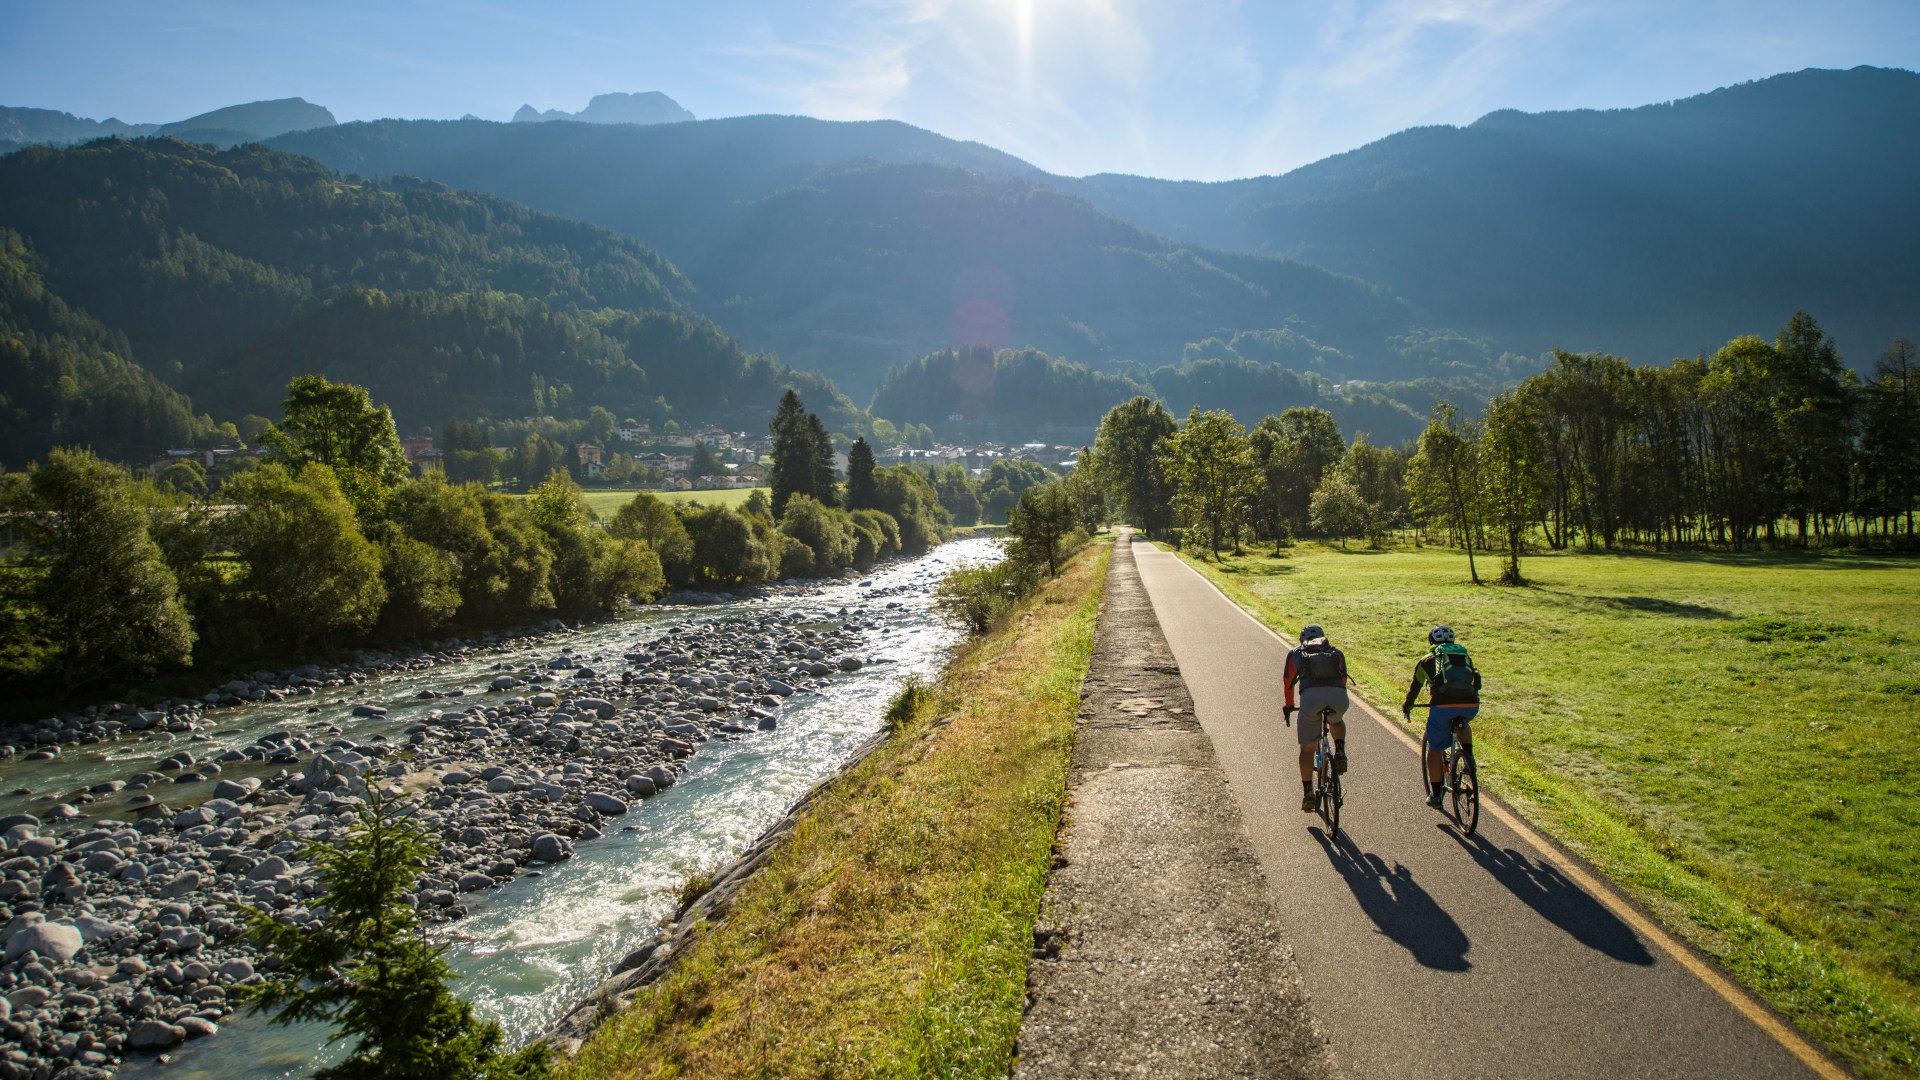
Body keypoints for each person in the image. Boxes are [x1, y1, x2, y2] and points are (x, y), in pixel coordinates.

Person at [1401, 625, 1480, 808]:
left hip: (1443, 706)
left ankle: (1436, 795)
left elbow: (1415, 687)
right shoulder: (1464, 656)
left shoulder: (1427, 660)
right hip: (1470, 705)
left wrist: (1408, 705)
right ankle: (1468, 756)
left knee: (1434, 749)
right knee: (1462, 723)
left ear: (1431, 641)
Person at [1283, 624, 1349, 812]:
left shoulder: (1295, 653)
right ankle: (1340, 752)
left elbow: (1288, 683)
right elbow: (1343, 679)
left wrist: (1289, 706)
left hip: (1311, 699)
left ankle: (1308, 794)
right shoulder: (1336, 652)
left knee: (1307, 748)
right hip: (1338, 696)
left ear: (1302, 640)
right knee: (1336, 720)